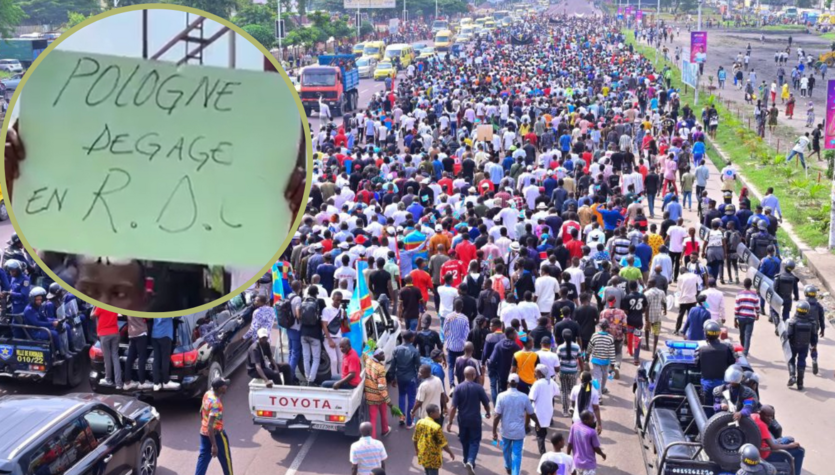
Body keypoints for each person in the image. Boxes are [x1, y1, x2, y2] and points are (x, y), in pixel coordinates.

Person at [493, 373, 541, 475]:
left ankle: (508, 466)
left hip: (506, 430)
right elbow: (531, 413)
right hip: (519, 431)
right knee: (517, 454)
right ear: (518, 384)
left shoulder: (501, 396)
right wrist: (537, 423)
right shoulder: (524, 397)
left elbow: (497, 416)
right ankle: (515, 473)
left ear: (508, 383)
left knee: (506, 449)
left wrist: (494, 431)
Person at [447, 366, 491, 474]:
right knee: (474, 441)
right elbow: (486, 403)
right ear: (473, 375)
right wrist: (488, 412)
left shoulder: (458, 388)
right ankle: (470, 461)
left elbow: (453, 407)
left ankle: (466, 459)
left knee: (464, 440)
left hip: (462, 420)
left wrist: (450, 422)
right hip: (475, 420)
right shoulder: (478, 388)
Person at [195, 378, 233, 475]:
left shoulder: (207, 394)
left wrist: (204, 425)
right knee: (226, 461)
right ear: (219, 388)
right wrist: (214, 445)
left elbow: (201, 411)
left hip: (204, 433)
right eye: (224, 385)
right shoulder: (216, 403)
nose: (226, 387)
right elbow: (211, 424)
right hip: (216, 435)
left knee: (203, 459)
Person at [755, 405, 806, 475]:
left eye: (771, 416)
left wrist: (780, 441)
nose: (770, 419)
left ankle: (789, 465)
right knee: (800, 451)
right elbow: (773, 447)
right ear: (760, 413)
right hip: (767, 454)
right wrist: (789, 446)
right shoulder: (762, 426)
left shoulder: (755, 416)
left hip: (767, 445)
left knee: (790, 439)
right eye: (768, 416)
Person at [695, 321, 736, 406]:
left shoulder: (701, 350)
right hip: (723, 384)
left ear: (706, 334)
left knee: (707, 407)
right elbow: (732, 363)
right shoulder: (726, 348)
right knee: (722, 407)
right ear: (718, 334)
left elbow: (697, 366)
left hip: (707, 384)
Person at [413, 404, 455, 475]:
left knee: (426, 471)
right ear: (431, 414)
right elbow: (443, 444)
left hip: (423, 454)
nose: (439, 413)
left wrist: (417, 450)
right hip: (433, 458)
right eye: (437, 411)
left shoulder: (420, 422)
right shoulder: (436, 427)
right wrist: (450, 453)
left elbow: (415, 439)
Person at [392, 330, 421, 428]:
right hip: (411, 378)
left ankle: (401, 417)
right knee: (411, 399)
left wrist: (393, 378)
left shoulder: (396, 349)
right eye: (413, 337)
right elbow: (418, 366)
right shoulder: (414, 351)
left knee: (401, 396)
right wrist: (419, 379)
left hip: (400, 377)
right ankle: (409, 422)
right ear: (410, 339)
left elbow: (393, 365)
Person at [530, 364, 560, 455]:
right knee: (543, 431)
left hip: (538, 412)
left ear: (540, 373)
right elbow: (557, 392)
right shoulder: (551, 382)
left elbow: (531, 399)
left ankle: (543, 454)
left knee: (540, 435)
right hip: (548, 411)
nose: (534, 373)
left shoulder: (537, 384)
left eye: (536, 372)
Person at [567, 410, 606, 475]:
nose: (593, 421)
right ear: (585, 421)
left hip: (577, 463)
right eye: (591, 419)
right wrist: (602, 454)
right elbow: (596, 448)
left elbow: (569, 443)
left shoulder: (574, 426)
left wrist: (568, 456)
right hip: (589, 465)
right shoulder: (591, 432)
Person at [299, 286, 325, 385]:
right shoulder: (320, 302)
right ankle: (311, 380)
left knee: (306, 357)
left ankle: (306, 378)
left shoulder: (302, 301)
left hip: (303, 333)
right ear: (317, 293)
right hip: (315, 334)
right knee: (316, 358)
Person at [786, 301, 815, 390]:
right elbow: (814, 335)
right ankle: (800, 383)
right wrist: (813, 345)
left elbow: (789, 335)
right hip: (805, 346)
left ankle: (792, 376)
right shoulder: (811, 322)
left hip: (793, 345)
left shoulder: (793, 321)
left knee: (791, 360)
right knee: (801, 362)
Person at [365, 349, 393, 438]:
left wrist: (370, 346)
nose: (384, 355)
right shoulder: (380, 368)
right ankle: (385, 430)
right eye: (381, 354)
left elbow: (365, 352)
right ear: (376, 356)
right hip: (380, 397)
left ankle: (372, 438)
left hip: (370, 396)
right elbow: (381, 387)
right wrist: (388, 401)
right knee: (383, 414)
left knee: (372, 418)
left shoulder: (368, 361)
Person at [93, 306, 121, 389]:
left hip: (104, 334)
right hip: (115, 332)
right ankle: (118, 383)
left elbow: (92, 316)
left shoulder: (100, 305)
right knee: (115, 357)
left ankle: (108, 379)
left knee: (107, 358)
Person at [803, 285, 826, 375]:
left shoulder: (804, 304)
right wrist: (823, 329)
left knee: (803, 345)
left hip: (803, 327)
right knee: (813, 346)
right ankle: (814, 359)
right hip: (814, 329)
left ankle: (802, 362)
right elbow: (822, 319)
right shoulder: (818, 306)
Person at [587, 321, 615, 394]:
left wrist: (587, 353)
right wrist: (613, 364)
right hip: (606, 362)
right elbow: (612, 351)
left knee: (597, 378)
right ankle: (601, 390)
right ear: (607, 328)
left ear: (599, 327)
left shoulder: (594, 335)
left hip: (596, 360)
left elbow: (590, 346)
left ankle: (599, 395)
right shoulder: (610, 338)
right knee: (605, 376)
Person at [734, 278, 760, 357]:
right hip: (750, 318)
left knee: (742, 334)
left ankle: (743, 349)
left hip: (741, 317)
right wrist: (757, 314)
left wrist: (735, 319)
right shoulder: (755, 294)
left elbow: (737, 307)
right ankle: (745, 353)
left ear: (744, 285)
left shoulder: (739, 294)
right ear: (750, 285)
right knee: (747, 335)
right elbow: (757, 306)